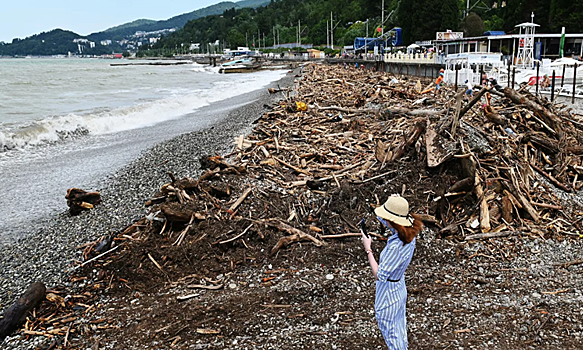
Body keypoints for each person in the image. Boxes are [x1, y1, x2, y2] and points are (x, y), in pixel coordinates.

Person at [361, 195, 423, 349]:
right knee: (399, 329)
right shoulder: (409, 234)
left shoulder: (396, 247)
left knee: (391, 332)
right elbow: (383, 218)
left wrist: (368, 249)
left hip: (388, 294)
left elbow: (379, 275)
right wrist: (394, 203)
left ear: (393, 221)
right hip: (399, 287)